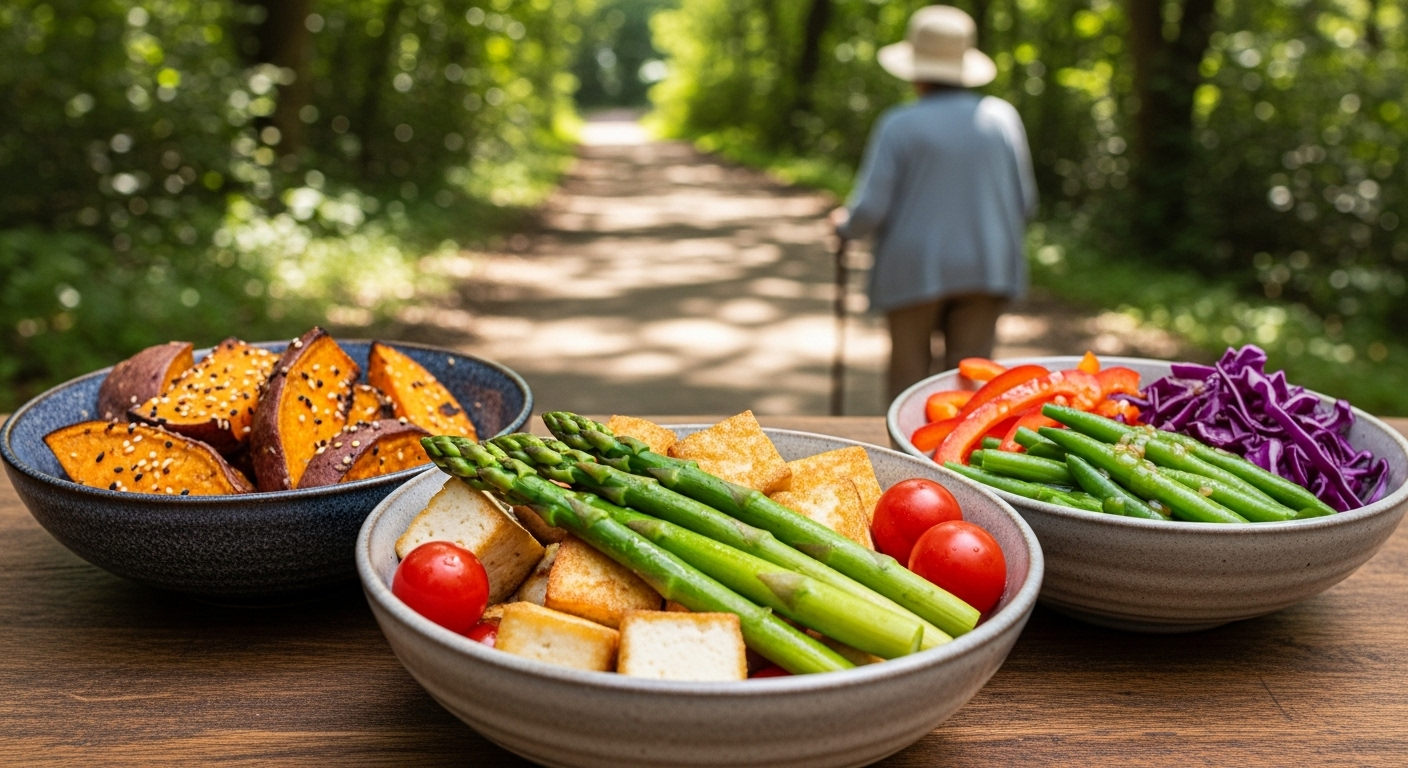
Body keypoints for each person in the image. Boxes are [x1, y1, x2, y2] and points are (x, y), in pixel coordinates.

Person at [830, 5, 1037, 402]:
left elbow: (872, 207)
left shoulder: (900, 123)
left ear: (915, 69)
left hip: (913, 271)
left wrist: (844, 226)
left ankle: (903, 462)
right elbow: (1025, 203)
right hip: (988, 267)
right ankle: (960, 462)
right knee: (970, 388)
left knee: (908, 386)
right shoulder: (1002, 118)